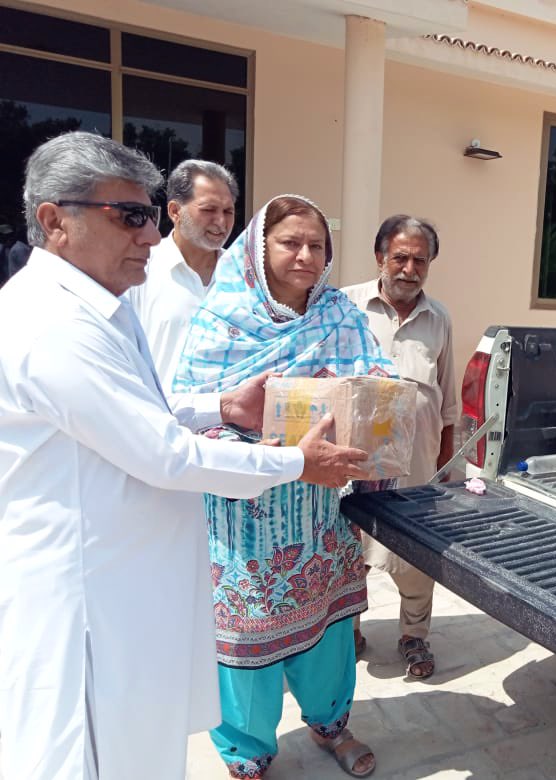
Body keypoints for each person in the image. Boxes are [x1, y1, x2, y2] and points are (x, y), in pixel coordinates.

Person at [0, 132, 371, 780]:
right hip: (88, 603)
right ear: (54, 220)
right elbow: (165, 455)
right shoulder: (52, 326)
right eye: (131, 216)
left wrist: (223, 408)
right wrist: (292, 463)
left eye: (149, 214)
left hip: (166, 574)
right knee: (88, 757)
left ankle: (325, 721)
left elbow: (146, 413)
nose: (149, 234)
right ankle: (248, 754)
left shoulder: (99, 312)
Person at [174, 195, 393, 778]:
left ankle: (330, 726)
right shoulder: (220, 320)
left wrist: (363, 390)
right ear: (258, 249)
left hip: (317, 515)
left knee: (326, 635)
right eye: (290, 242)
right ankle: (247, 754)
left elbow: (377, 380)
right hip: (245, 518)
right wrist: (270, 450)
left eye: (316, 245)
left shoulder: (341, 315)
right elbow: (188, 419)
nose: (305, 255)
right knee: (246, 649)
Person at [343, 214, 458, 679]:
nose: (410, 269)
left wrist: (448, 464)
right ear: (380, 258)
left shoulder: (439, 318)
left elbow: (448, 398)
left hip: (416, 462)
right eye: (400, 258)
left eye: (420, 260)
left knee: (415, 554)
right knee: (349, 552)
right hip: (356, 462)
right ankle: (347, 630)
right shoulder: (345, 305)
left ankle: (414, 636)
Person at [127, 159, 238, 392]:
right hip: (160, 420)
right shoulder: (140, 269)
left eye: (228, 211)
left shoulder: (243, 274)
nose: (221, 222)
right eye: (209, 210)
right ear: (175, 211)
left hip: (231, 423)